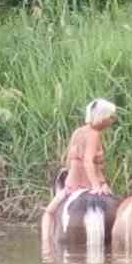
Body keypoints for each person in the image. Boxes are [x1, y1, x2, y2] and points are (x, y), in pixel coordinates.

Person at [41, 98, 118, 246]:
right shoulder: (94, 134)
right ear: (101, 117)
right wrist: (96, 185)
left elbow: (71, 161)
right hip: (90, 184)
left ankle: (46, 245)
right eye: (110, 117)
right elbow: (88, 161)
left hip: (71, 186)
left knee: (49, 213)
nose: (112, 120)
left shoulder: (77, 132)